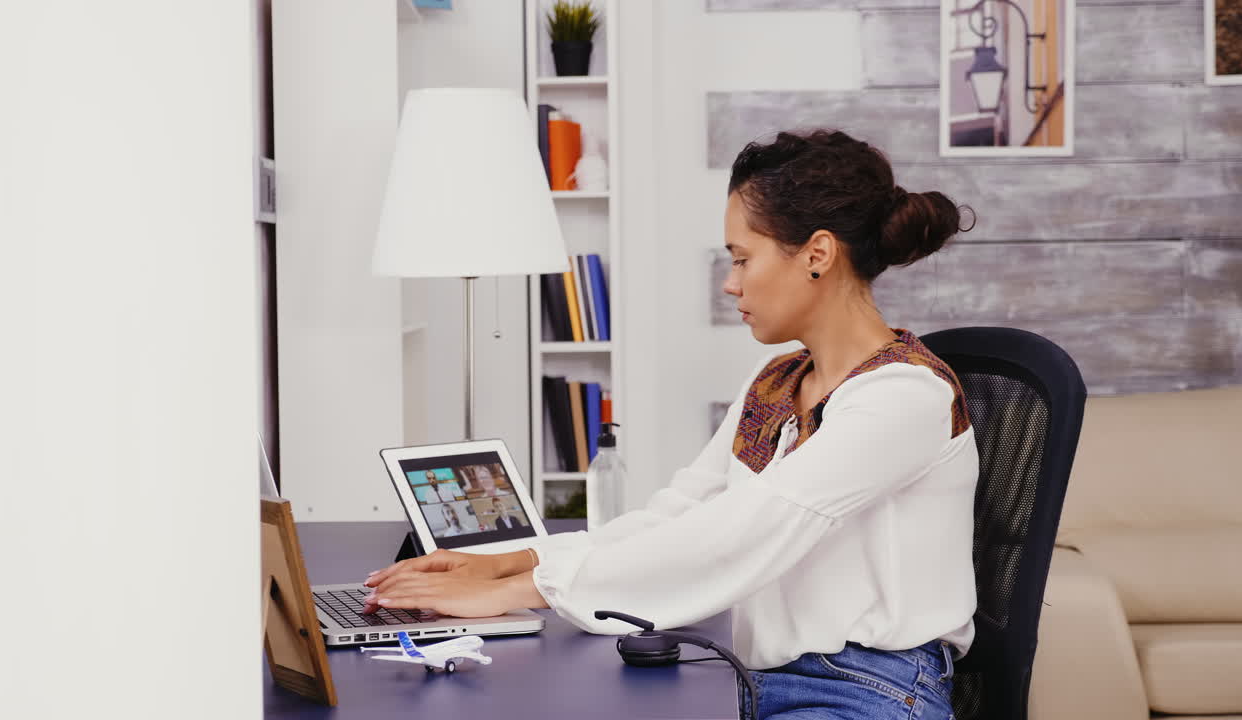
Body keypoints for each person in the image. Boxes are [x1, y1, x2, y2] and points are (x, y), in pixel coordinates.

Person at [363, 130, 979, 719]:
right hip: (757, 676)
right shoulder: (779, 379)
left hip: (867, 690)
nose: (731, 283)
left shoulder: (903, 396)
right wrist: (509, 563)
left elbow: (750, 530)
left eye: (742, 258)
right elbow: (680, 515)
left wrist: (519, 594)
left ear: (817, 254)